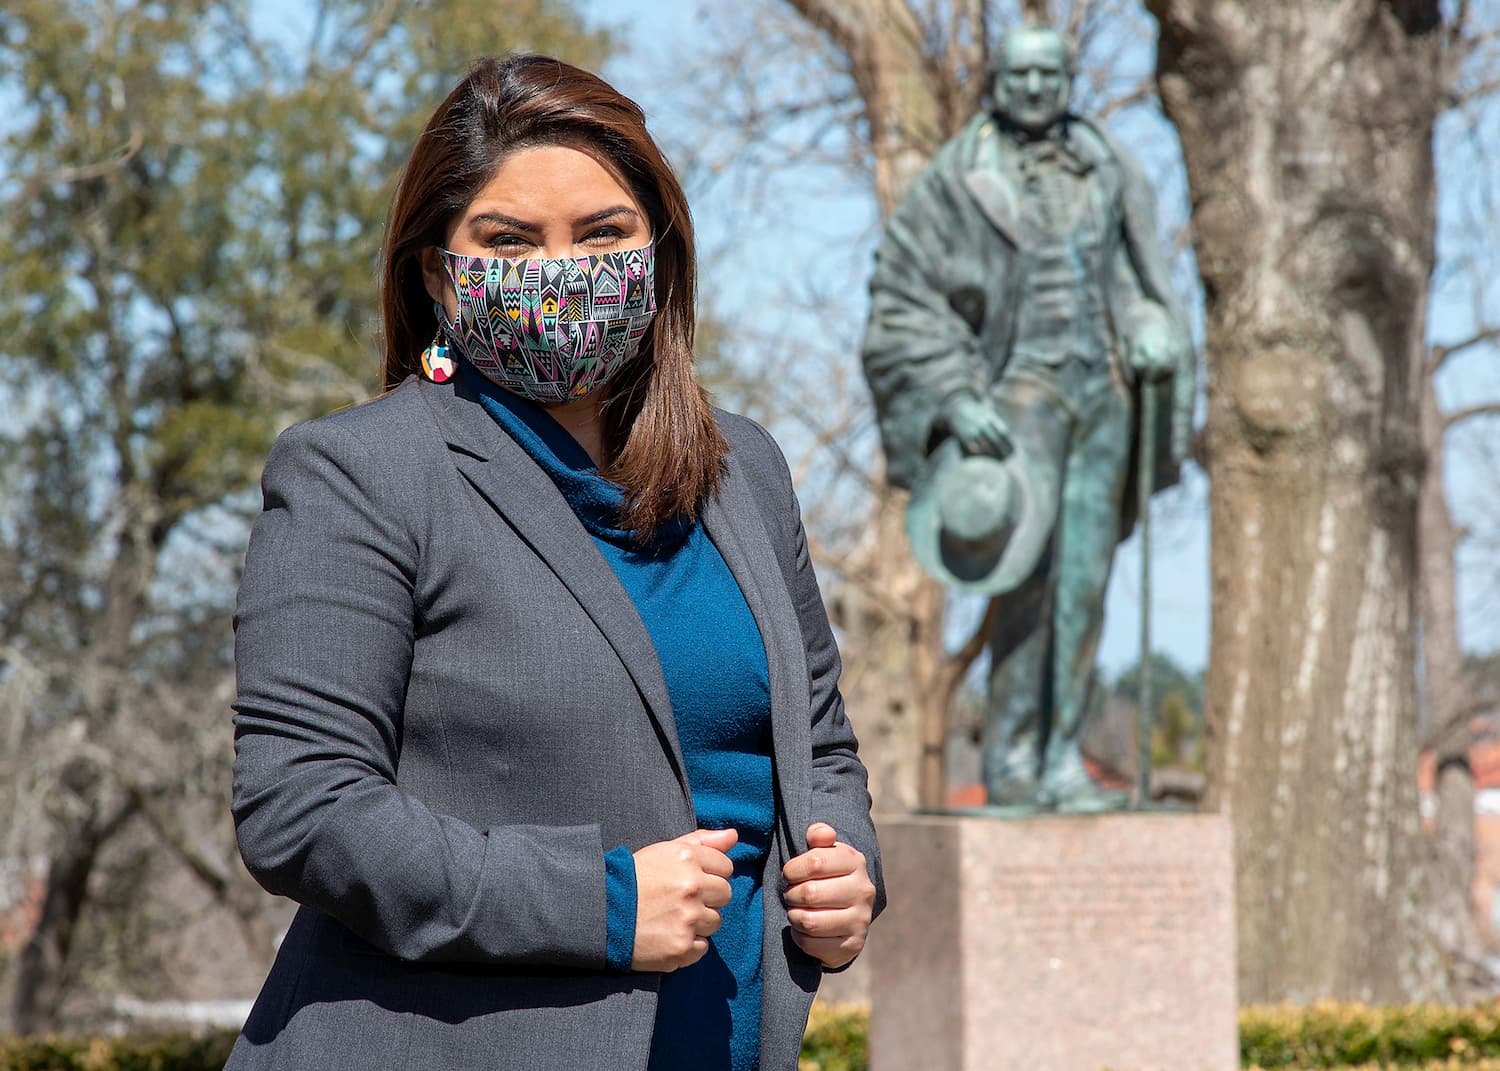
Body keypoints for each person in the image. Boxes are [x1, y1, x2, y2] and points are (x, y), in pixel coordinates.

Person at [227, 54, 882, 1071]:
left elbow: (820, 744)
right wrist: (607, 905)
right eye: (509, 239)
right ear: (440, 273)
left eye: (603, 234)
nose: (560, 270)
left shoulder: (742, 468)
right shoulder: (360, 472)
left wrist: (847, 870)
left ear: (658, 252)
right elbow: (300, 806)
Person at [859, 24, 1195, 810]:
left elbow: (1141, 275)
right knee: (1027, 580)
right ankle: (1012, 758)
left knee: (1084, 580)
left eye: (1051, 72)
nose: (1037, 86)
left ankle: (1063, 757)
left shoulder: (1109, 165)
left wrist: (1151, 323)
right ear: (998, 81)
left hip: (1102, 393)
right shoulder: (955, 179)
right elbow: (902, 301)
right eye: (1021, 73)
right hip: (1018, 402)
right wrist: (955, 393)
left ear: (1068, 76)